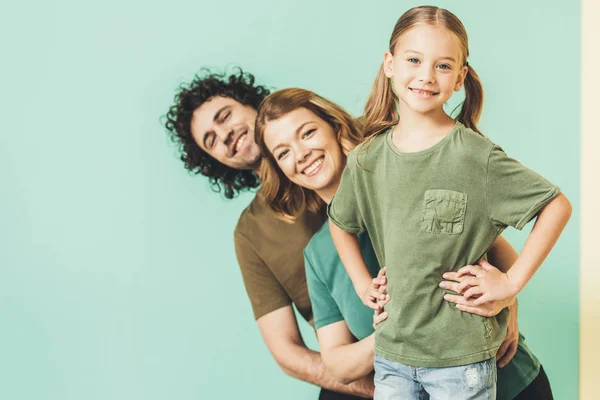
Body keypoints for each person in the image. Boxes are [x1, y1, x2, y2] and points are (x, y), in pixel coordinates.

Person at [323, 6, 571, 399]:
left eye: (442, 66)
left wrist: (509, 283)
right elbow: (340, 222)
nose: (425, 75)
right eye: (414, 60)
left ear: (460, 78)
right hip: (391, 355)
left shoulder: (476, 156)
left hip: (461, 361)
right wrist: (361, 281)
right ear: (389, 65)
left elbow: (556, 206)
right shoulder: (366, 159)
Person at [255, 87, 557, 399]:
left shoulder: (414, 180)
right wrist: (402, 328)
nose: (300, 153)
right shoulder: (319, 254)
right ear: (281, 171)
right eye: (283, 153)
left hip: (510, 384)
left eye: (307, 133)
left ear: (335, 128)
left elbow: (501, 259)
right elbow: (338, 364)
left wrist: (508, 300)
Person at [164, 69, 373, 399]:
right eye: (211, 141)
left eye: (225, 116)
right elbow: (287, 352)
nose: (225, 135)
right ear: (213, 161)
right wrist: (388, 387)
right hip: (358, 370)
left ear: (250, 104)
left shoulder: (364, 140)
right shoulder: (251, 234)